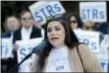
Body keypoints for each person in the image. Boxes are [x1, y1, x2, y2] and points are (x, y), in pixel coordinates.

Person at [31, 15, 104, 72]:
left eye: (57, 29)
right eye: (49, 30)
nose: (52, 33)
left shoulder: (80, 49)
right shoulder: (42, 53)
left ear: (66, 31)